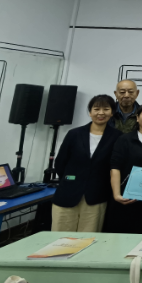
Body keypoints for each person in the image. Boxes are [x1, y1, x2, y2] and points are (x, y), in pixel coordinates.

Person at [52, 94, 121, 232]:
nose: (101, 113)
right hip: (68, 193)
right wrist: (72, 179)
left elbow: (115, 166)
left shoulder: (118, 137)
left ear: (112, 112)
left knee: (88, 238)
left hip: (97, 195)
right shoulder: (74, 134)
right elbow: (60, 162)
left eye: (106, 109)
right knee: (60, 237)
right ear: (90, 112)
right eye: (96, 109)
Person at [104, 102, 142, 234]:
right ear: (137, 117)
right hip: (126, 194)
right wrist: (117, 194)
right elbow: (115, 167)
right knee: (118, 233)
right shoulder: (125, 139)